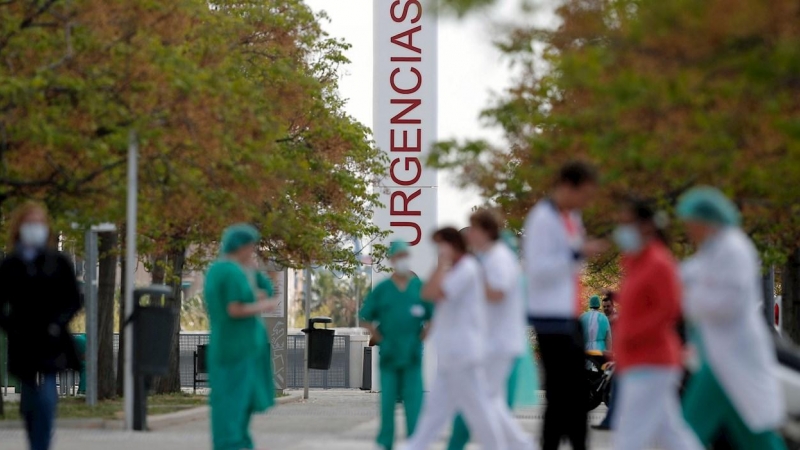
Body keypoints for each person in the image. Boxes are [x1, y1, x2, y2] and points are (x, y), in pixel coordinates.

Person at [677, 187, 787, 449]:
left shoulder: (734, 249)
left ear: (706, 220)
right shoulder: (714, 249)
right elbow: (687, 273)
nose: (687, 230)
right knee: (752, 435)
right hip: (720, 358)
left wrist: (686, 302)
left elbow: (730, 301)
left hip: (730, 356)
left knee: (691, 428)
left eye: (690, 223)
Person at [523, 161, 607, 450]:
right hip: (550, 318)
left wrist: (578, 253)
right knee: (564, 395)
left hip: (570, 315)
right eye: (584, 193)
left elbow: (574, 263)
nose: (587, 201)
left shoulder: (572, 217)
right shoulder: (542, 219)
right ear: (568, 186)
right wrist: (576, 252)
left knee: (569, 395)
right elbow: (539, 269)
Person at [610, 199, 702, 450]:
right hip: (640, 360)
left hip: (651, 359)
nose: (621, 229)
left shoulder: (659, 263)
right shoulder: (635, 263)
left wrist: (630, 335)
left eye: (627, 223)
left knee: (630, 434)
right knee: (670, 435)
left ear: (647, 227)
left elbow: (670, 308)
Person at [402, 227, 505, 450]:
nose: (438, 250)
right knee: (436, 410)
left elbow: (434, 293)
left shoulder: (467, 269)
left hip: (463, 352)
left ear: (452, 244)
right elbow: (426, 293)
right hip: (451, 352)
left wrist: (439, 267)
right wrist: (439, 266)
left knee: (479, 409)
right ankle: (415, 446)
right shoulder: (453, 270)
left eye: (441, 245)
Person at [446, 210, 535, 450]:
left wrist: (471, 287)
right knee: (488, 400)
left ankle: (515, 445)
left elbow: (498, 292)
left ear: (485, 231)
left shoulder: (498, 258)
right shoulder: (490, 258)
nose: (470, 234)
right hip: (494, 342)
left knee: (482, 399)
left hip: (500, 343)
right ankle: (520, 444)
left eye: (473, 229)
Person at [0, 202, 82, 450]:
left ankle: (40, 446)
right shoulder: (11, 265)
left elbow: (74, 299)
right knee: (29, 402)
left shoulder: (57, 262)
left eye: (38, 223)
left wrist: (58, 322)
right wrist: (11, 327)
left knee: (45, 397)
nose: (34, 229)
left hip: (51, 342)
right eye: (29, 224)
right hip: (23, 343)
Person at [203, 224, 278, 450]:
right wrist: (263, 304)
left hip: (237, 348)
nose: (252, 252)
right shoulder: (230, 272)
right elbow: (234, 308)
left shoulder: (225, 270)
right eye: (250, 247)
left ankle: (238, 444)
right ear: (241, 246)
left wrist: (256, 276)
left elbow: (264, 289)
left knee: (239, 402)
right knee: (234, 404)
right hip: (237, 350)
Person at [359, 241, 433, 450]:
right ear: (392, 260)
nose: (402, 259)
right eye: (398, 256)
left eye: (404, 254)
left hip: (412, 354)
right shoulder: (383, 290)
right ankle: (386, 442)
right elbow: (364, 316)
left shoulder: (419, 288)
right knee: (388, 402)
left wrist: (423, 335)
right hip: (389, 354)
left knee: (414, 401)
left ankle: (415, 442)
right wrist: (379, 337)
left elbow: (433, 314)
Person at [593, 291, 617, 431]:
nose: (606, 308)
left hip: (614, 353)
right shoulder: (604, 319)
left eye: (608, 306)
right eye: (604, 306)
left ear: (613, 306)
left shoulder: (614, 319)